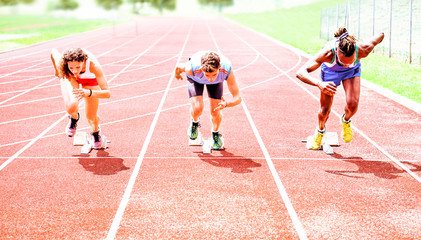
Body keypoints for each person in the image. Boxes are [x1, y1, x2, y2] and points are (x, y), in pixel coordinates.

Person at [296, 27, 384, 150]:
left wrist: (381, 34)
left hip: (351, 72)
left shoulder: (363, 49)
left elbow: (380, 35)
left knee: (352, 105)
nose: (346, 64)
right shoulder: (328, 53)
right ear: (337, 52)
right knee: (324, 110)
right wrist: (319, 84)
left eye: (350, 61)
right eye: (344, 63)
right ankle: (320, 131)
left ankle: (346, 121)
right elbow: (300, 72)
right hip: (331, 72)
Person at [174, 51, 242, 150]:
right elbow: (178, 67)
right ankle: (194, 123)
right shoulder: (191, 68)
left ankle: (216, 133)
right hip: (195, 79)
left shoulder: (227, 70)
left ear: (219, 68)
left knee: (215, 111)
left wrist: (226, 104)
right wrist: (177, 75)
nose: (210, 79)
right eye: (207, 75)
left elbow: (237, 98)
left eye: (213, 74)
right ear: (202, 69)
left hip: (217, 82)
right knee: (197, 108)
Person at [50, 48, 110, 149]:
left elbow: (107, 93)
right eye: (71, 67)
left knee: (91, 116)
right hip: (73, 79)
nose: (75, 70)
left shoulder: (93, 66)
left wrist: (89, 93)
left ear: (83, 61)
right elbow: (53, 52)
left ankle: (96, 132)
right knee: (71, 107)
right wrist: (57, 71)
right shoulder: (63, 63)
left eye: (78, 67)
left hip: (89, 80)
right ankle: (74, 118)